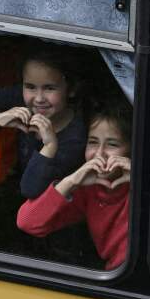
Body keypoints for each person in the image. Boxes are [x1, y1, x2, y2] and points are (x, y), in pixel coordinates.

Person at [16, 101, 131, 270]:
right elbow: (28, 222)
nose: (99, 154)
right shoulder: (88, 188)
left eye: (112, 144)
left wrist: (143, 181)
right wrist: (71, 181)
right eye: (92, 142)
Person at [0, 46, 91, 198]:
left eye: (49, 88)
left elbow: (32, 190)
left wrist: (49, 145)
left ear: (71, 89)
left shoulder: (76, 138)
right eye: (30, 87)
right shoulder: (20, 99)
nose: (38, 98)